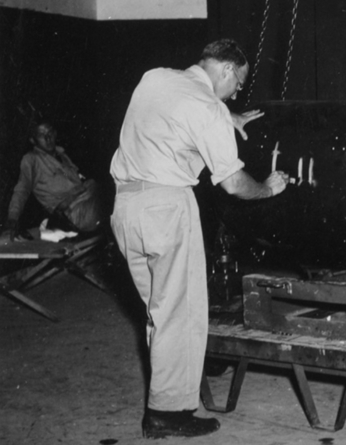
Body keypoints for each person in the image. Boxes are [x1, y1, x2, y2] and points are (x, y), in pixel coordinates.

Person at [109, 39, 289, 439]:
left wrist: (227, 118)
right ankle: (167, 414)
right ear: (226, 71)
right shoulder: (209, 109)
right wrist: (269, 188)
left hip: (126, 207)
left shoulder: (155, 78)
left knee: (160, 312)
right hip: (167, 209)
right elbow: (234, 184)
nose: (236, 92)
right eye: (237, 84)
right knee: (182, 315)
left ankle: (166, 399)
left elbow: (179, 110)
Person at [3, 121, 103, 241]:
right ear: (33, 140)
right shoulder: (31, 159)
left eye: (50, 132)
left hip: (87, 200)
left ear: (55, 133)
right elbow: (21, 190)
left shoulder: (63, 155)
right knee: (108, 190)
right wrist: (12, 219)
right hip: (74, 211)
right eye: (41, 135)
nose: (48, 138)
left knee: (102, 186)